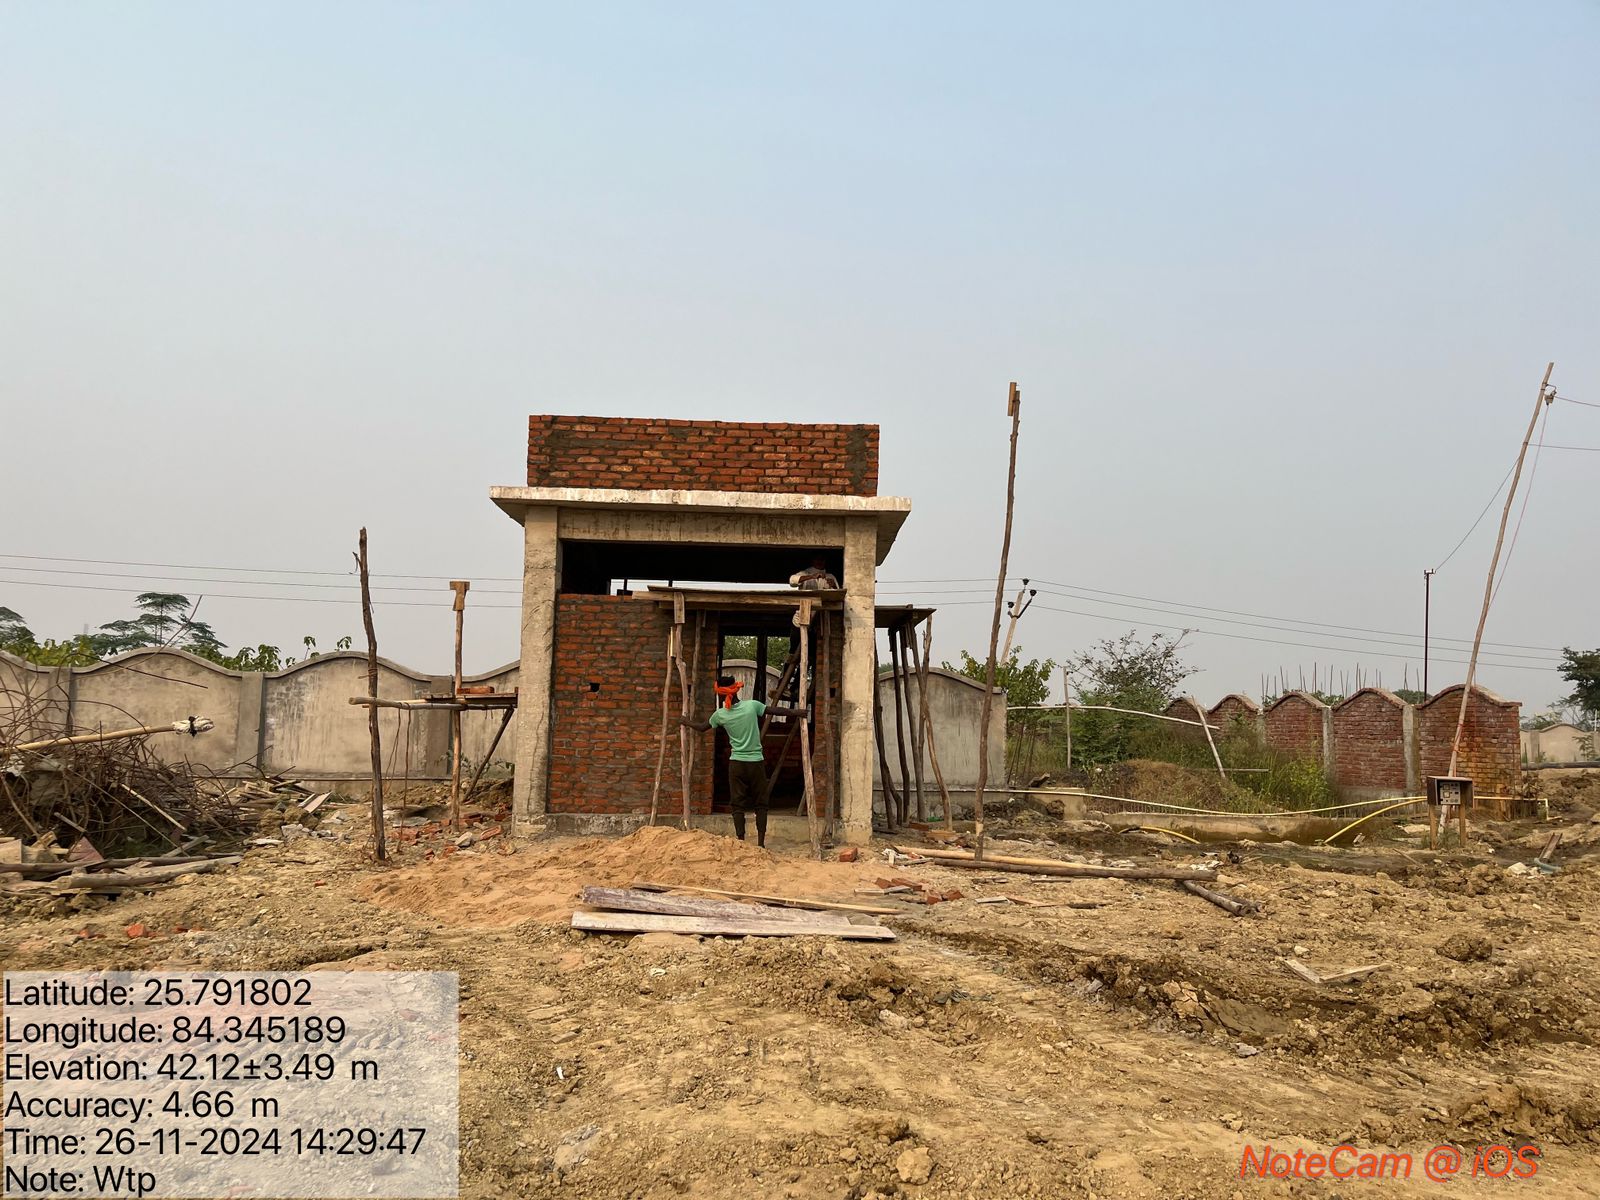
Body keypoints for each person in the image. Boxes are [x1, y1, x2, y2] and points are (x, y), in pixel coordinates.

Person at [682, 675, 808, 847]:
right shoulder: (752, 706)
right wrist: (799, 713)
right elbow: (776, 711)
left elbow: (702, 727)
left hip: (737, 764)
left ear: (721, 695)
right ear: (736, 690)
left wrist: (685, 722)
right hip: (756, 763)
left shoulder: (720, 715)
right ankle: (761, 843)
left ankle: (741, 841)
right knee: (761, 803)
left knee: (737, 804)